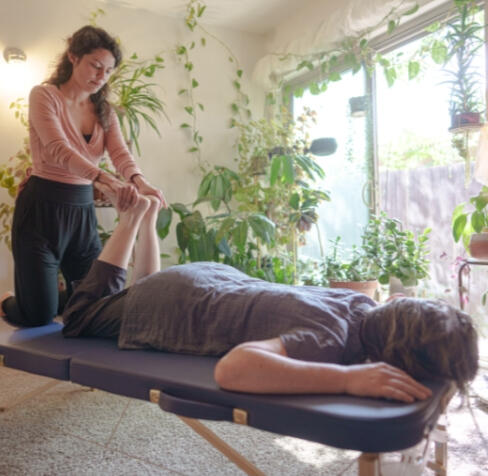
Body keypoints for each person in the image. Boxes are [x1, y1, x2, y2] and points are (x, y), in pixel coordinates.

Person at [55, 182, 479, 403]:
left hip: (207, 279)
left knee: (141, 293)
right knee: (78, 317)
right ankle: (132, 219)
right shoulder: (330, 342)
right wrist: (349, 379)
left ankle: (147, 217)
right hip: (174, 302)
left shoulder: (360, 301)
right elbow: (233, 369)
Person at [0, 25, 166, 328]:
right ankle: (6, 301)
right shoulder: (44, 96)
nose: (102, 76)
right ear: (73, 57)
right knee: (39, 316)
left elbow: (120, 154)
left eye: (109, 71)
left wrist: (140, 182)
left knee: (94, 301)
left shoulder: (105, 111)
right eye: (95, 66)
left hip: (81, 211)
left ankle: (45, 297)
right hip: (41, 210)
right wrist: (105, 180)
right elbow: (58, 150)